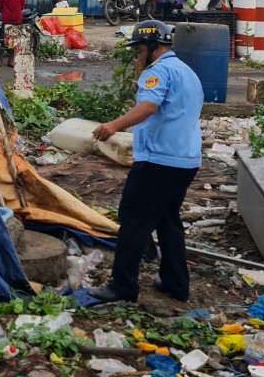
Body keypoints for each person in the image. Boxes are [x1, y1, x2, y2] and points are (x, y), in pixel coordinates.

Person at [87, 20, 204, 303]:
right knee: (167, 220)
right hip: (186, 160)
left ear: (154, 47)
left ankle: (123, 287)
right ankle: (176, 283)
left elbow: (149, 107)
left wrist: (113, 125)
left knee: (133, 219)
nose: (138, 56)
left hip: (159, 160)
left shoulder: (159, 71)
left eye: (140, 50)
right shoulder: (186, 71)